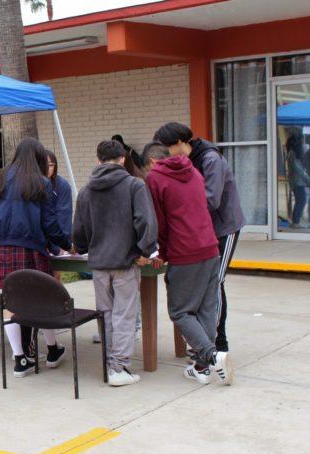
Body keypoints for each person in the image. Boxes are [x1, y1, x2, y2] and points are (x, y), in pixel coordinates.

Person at [0, 137, 71, 377]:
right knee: (39, 298)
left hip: (1, 247)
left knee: (11, 302)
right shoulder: (41, 182)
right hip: (30, 248)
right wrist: (66, 245)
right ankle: (48, 350)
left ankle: (20, 358)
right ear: (38, 159)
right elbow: (49, 223)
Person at [72, 140, 158, 387]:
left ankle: (110, 364)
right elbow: (146, 223)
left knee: (107, 314)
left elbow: (78, 232)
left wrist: (88, 248)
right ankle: (118, 367)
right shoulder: (134, 186)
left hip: (99, 264)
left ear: (98, 160)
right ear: (122, 159)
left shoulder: (86, 191)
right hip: (126, 261)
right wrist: (145, 251)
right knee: (125, 315)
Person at [153, 122, 245, 352]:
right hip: (201, 232)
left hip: (224, 227)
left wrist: (179, 208)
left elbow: (211, 200)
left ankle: (218, 343)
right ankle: (205, 345)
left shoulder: (210, 159)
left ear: (179, 143)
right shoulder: (185, 162)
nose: (165, 153)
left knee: (215, 284)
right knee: (203, 289)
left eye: (167, 147)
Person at [146, 152, 233, 385]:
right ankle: (202, 368)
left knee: (180, 311)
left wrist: (162, 252)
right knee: (205, 309)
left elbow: (159, 222)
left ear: (153, 161)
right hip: (210, 247)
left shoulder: (155, 178)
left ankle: (212, 356)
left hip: (185, 252)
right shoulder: (193, 171)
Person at [45, 150, 73, 269]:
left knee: (54, 275)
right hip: (35, 241)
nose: (47, 168)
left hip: (56, 237)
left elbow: (64, 216)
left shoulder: (62, 185)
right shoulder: (31, 184)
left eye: (51, 165)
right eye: (44, 164)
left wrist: (60, 245)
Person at [286, 133, 310, 228]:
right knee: (302, 200)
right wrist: (306, 177)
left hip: (297, 180)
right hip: (297, 181)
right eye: (302, 140)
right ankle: (295, 222)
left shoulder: (293, 152)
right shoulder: (292, 153)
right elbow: (298, 168)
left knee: (300, 200)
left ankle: (295, 221)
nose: (303, 143)